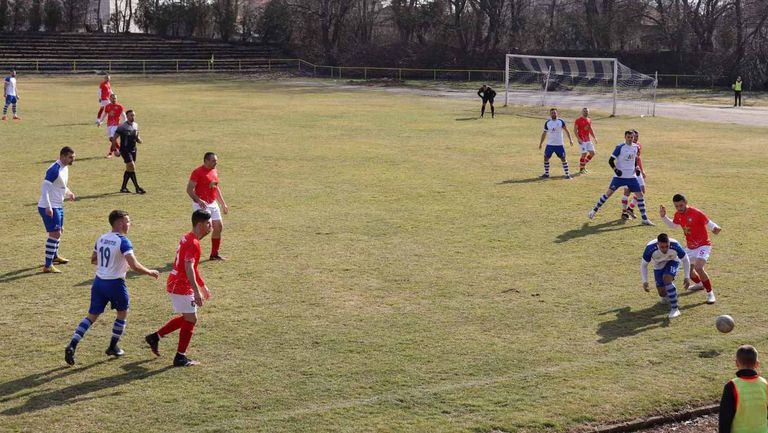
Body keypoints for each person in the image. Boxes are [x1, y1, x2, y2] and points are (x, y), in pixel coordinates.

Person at [64, 210, 160, 365]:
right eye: (128, 221)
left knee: (91, 316)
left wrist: (114, 264)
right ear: (121, 223)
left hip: (98, 282)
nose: (129, 224)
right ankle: (113, 346)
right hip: (115, 284)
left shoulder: (101, 238)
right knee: (122, 313)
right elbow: (134, 265)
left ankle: (72, 344)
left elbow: (94, 260)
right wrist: (150, 272)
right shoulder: (123, 241)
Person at [145, 210, 213, 367]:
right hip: (180, 285)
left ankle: (155, 337)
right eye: (208, 223)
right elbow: (188, 267)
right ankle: (180, 357)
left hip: (177, 282)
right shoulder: (193, 243)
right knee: (191, 318)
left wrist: (202, 286)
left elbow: (193, 267)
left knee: (188, 318)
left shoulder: (188, 237)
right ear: (200, 224)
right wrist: (196, 291)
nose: (211, 226)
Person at [660, 194, 721, 304]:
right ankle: (699, 284)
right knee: (689, 270)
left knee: (698, 267)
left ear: (686, 202)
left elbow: (709, 223)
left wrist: (715, 228)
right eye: (677, 206)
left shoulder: (696, 213)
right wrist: (664, 217)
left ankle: (710, 293)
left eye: (681, 205)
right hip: (690, 247)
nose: (679, 208)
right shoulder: (678, 214)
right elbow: (674, 226)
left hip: (703, 245)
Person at [588, 130, 653, 225]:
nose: (631, 139)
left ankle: (644, 219)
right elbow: (610, 160)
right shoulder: (620, 147)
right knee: (608, 194)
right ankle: (593, 211)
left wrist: (637, 167)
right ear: (625, 137)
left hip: (631, 177)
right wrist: (616, 170)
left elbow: (635, 159)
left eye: (632, 137)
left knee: (640, 196)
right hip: (620, 177)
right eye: (629, 137)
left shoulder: (636, 147)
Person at [38, 146, 77, 273]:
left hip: (58, 205)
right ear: (63, 156)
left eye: (73, 157)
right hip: (49, 206)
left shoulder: (64, 168)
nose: (73, 160)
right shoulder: (54, 169)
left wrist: (69, 192)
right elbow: (44, 188)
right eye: (71, 157)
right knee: (55, 234)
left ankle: (54, 257)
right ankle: (47, 266)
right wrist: (48, 206)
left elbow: (61, 185)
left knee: (59, 231)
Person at [187, 152, 230, 260]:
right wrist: (198, 200)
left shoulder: (214, 171)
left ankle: (214, 254)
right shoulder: (197, 172)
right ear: (206, 161)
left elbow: (216, 188)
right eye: (213, 161)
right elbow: (189, 189)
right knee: (205, 229)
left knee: (218, 227)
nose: (216, 162)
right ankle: (187, 248)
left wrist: (223, 203)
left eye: (216, 160)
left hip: (212, 203)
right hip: (201, 204)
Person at [719, 345, 768, 433]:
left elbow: (725, 418)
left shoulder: (731, 386)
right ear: (757, 364)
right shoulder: (765, 384)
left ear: (736, 363)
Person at [640, 233, 690, 319]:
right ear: (657, 244)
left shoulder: (675, 245)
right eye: (662, 247)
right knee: (662, 293)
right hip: (658, 266)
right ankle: (672, 293)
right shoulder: (650, 248)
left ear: (669, 243)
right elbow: (643, 265)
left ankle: (675, 309)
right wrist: (645, 281)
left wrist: (687, 276)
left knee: (667, 278)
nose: (665, 249)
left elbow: (685, 259)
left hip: (673, 261)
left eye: (667, 246)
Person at [538, 107, 574, 179]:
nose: (553, 114)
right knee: (546, 158)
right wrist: (541, 143)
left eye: (554, 112)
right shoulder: (547, 123)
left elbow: (567, 130)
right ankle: (546, 174)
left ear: (557, 113)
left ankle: (567, 175)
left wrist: (571, 139)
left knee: (563, 158)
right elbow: (544, 133)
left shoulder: (561, 121)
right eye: (552, 113)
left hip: (559, 144)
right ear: (550, 114)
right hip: (550, 144)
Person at [115, 109, 146, 194]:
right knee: (132, 166)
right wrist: (115, 150)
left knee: (129, 169)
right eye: (131, 115)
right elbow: (114, 138)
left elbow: (136, 136)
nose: (133, 117)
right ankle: (137, 188)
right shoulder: (122, 126)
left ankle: (123, 188)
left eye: (133, 115)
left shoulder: (136, 125)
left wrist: (138, 140)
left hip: (133, 150)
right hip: (124, 150)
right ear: (127, 116)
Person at [622, 129, 645, 219]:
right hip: (628, 172)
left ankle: (630, 208)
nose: (635, 138)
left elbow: (638, 159)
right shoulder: (624, 146)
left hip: (637, 171)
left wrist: (642, 171)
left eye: (637, 137)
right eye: (633, 137)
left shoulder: (638, 146)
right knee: (627, 192)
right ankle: (624, 213)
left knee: (642, 191)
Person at [98, 93, 126, 159]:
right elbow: (104, 114)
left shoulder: (119, 106)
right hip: (109, 124)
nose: (114, 99)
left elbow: (123, 115)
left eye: (115, 98)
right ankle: (120, 150)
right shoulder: (107, 106)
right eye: (113, 98)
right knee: (111, 139)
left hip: (116, 124)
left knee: (112, 138)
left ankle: (113, 151)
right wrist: (100, 121)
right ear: (110, 99)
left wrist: (125, 122)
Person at [574, 107, 598, 174]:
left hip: (588, 139)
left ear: (588, 112)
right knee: (584, 154)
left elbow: (590, 129)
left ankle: (583, 164)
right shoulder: (578, 120)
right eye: (584, 111)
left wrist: (594, 137)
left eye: (587, 111)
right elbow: (575, 130)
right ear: (582, 112)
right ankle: (581, 169)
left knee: (592, 153)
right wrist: (578, 138)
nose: (586, 112)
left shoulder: (589, 120)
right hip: (582, 140)